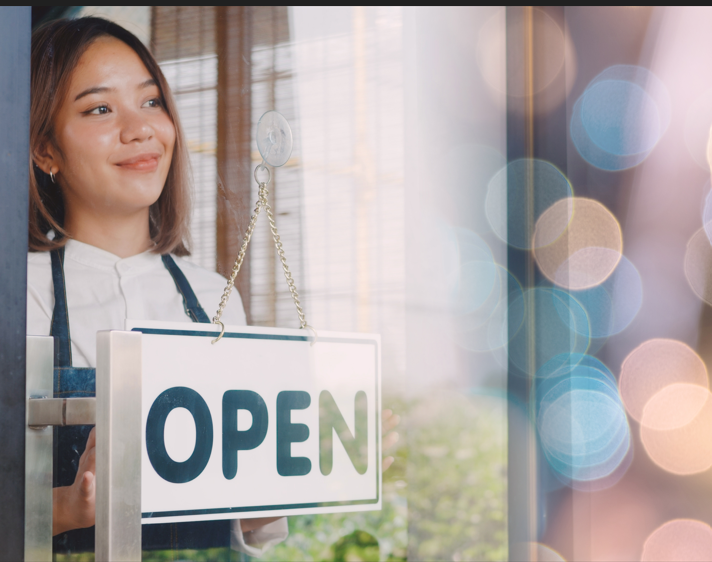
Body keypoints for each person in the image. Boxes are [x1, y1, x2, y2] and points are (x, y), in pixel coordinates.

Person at [26, 16, 286, 556]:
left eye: (151, 102)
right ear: (44, 149)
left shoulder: (217, 297)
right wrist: (68, 508)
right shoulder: (17, 292)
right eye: (99, 108)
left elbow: (242, 512)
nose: (140, 128)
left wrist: (311, 474)